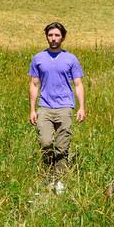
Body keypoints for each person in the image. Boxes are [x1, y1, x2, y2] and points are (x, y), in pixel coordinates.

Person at [28, 22, 84, 181]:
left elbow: (78, 84)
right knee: (45, 143)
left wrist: (82, 107)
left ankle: (59, 179)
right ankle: (48, 172)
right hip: (45, 107)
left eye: (57, 35)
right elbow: (34, 84)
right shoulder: (38, 58)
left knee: (62, 147)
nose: (53, 39)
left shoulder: (71, 59)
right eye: (50, 35)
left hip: (65, 107)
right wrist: (32, 110)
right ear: (46, 37)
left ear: (63, 37)